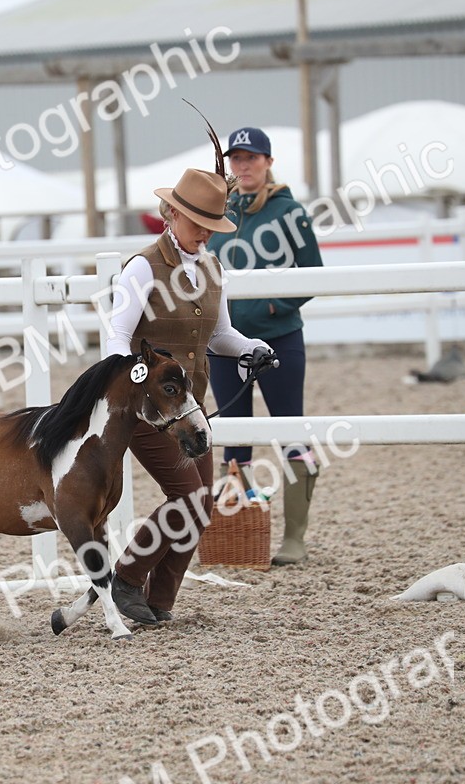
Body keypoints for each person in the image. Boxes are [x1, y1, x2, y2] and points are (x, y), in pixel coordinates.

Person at [105, 167, 275, 625]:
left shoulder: (212, 268)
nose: (206, 233)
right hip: (149, 409)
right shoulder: (143, 267)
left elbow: (220, 336)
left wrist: (252, 349)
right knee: (189, 497)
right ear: (173, 214)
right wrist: (135, 381)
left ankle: (159, 602)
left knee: (200, 507)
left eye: (213, 225)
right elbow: (116, 336)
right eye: (199, 223)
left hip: (191, 408)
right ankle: (126, 576)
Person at [207, 127, 324, 566]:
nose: (243, 166)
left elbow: (313, 272)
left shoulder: (289, 212)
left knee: (290, 430)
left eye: (251, 158)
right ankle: (236, 532)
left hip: (279, 339)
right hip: (225, 345)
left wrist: (277, 304)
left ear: (268, 162)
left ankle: (294, 538)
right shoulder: (218, 213)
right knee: (233, 438)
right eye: (237, 159)